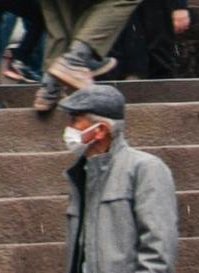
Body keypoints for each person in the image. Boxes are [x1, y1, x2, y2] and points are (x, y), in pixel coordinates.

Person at [55, 83, 182, 273]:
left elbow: (158, 251)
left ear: (101, 130)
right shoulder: (81, 174)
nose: (68, 129)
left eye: (75, 121)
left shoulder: (146, 168)